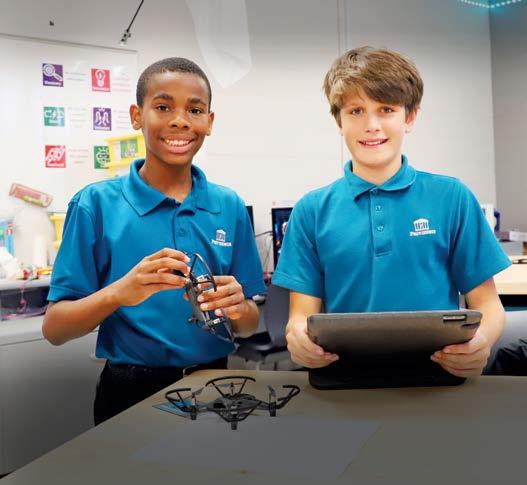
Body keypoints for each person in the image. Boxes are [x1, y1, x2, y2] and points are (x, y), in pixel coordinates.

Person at [43, 58, 265, 424]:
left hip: (215, 385)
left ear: (209, 122)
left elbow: (249, 325)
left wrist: (238, 308)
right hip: (130, 391)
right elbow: (54, 329)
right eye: (163, 107)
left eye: (194, 110)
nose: (180, 120)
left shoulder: (229, 206)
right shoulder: (94, 205)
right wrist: (119, 292)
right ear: (137, 116)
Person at [272, 46, 510, 377]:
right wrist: (298, 339)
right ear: (339, 120)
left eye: (386, 109)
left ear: (409, 117)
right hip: (344, 383)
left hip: (439, 380)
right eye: (356, 111)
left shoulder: (452, 198)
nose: (371, 125)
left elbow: (488, 305)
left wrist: (480, 342)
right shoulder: (311, 211)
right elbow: (300, 317)